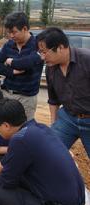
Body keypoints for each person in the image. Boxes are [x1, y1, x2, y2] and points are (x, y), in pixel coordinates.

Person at [0, 98, 85, 205]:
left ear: (5, 125)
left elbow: (7, 183)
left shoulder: (19, 140)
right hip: (73, 203)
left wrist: (0, 176)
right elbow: (10, 159)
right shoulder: (38, 129)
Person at [36, 27, 90, 158]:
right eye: (40, 53)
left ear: (60, 47)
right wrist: (54, 124)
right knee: (48, 152)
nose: (42, 57)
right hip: (68, 118)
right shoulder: (51, 68)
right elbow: (53, 99)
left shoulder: (87, 60)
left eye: (44, 52)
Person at [0, 12, 43, 121]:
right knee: (4, 127)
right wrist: (11, 72)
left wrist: (11, 62)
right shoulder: (8, 45)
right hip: (7, 95)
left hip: (26, 98)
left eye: (14, 32)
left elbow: (27, 64)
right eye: (9, 33)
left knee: (24, 131)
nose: (11, 36)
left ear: (25, 28)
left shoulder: (37, 45)